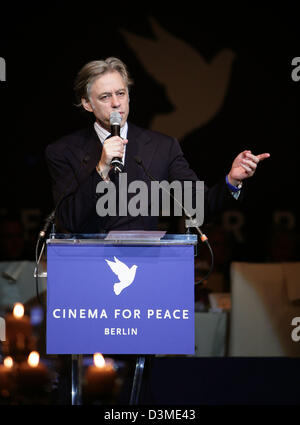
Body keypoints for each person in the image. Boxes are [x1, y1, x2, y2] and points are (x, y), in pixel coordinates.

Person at [45, 57, 270, 234]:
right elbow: (69, 220)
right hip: (88, 266)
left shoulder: (163, 147)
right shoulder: (63, 151)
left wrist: (232, 180)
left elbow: (198, 206)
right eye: (105, 97)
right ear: (87, 103)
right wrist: (101, 169)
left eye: (121, 93)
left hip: (145, 265)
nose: (116, 103)